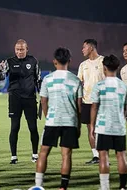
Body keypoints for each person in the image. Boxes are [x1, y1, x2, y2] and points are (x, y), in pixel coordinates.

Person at [35, 47, 82, 190]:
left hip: (52, 121)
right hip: (70, 121)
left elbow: (43, 101)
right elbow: (79, 106)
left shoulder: (48, 79)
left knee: (43, 152)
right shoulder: (76, 80)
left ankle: (38, 186)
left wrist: (48, 115)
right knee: (66, 155)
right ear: (69, 61)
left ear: (54, 61)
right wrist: (78, 125)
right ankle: (63, 187)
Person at [0, 39, 41, 164]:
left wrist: (42, 97)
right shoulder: (9, 62)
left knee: (33, 127)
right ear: (14, 50)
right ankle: (14, 156)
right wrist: (0, 70)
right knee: (14, 127)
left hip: (30, 99)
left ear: (27, 49)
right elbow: (2, 77)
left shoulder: (33, 61)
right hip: (15, 99)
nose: (19, 52)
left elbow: (37, 79)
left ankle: (35, 154)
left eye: (22, 49)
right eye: (17, 49)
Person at [90, 54, 127, 190]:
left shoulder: (99, 86)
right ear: (117, 67)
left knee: (103, 156)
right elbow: (125, 108)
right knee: (121, 155)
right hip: (119, 127)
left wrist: (92, 128)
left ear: (104, 68)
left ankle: (105, 187)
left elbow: (94, 107)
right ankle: (122, 187)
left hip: (103, 127)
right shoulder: (123, 86)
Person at [77, 39, 105, 164]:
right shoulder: (83, 65)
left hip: (102, 101)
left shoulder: (103, 61)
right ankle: (96, 156)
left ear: (91, 48)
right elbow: (79, 82)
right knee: (91, 129)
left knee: (102, 129)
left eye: (84, 47)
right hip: (87, 101)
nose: (82, 50)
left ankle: (103, 155)